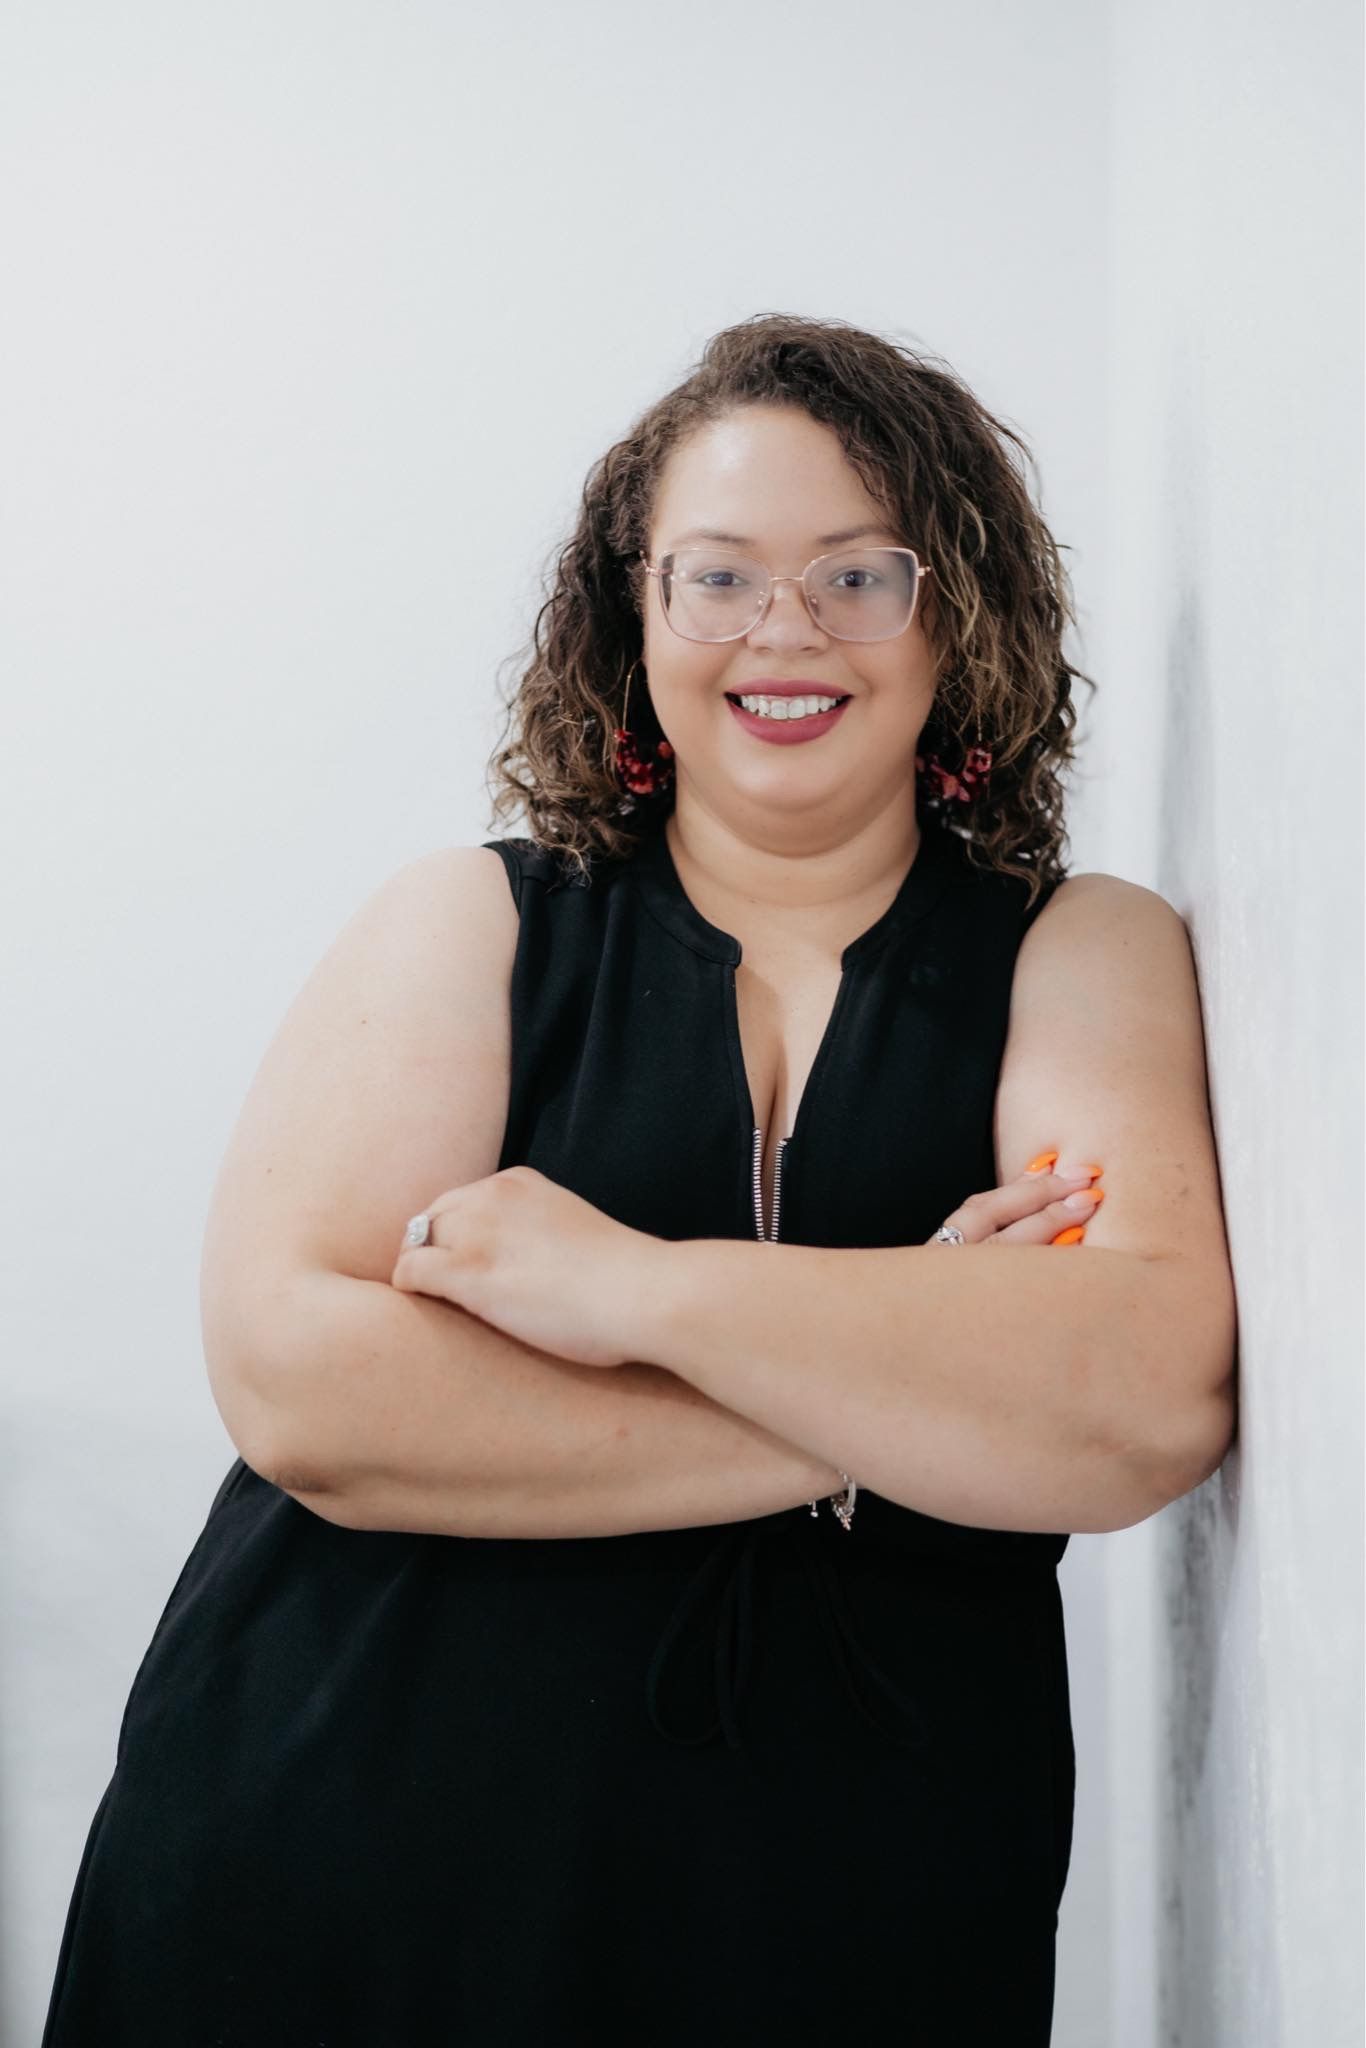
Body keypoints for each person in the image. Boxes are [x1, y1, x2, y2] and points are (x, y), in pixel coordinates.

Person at [42, 313, 1236, 2046]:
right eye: (720, 575)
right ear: (635, 605)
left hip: (842, 1927)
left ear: (952, 608)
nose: (784, 632)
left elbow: (1135, 1398)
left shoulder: (1084, 950)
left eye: (855, 576)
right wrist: (898, 1403)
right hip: (334, 1870)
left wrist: (627, 1290)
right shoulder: (471, 922)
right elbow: (302, 1384)